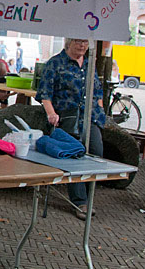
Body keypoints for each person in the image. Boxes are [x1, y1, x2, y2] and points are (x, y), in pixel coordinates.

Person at [35, 38, 105, 220]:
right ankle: (79, 201)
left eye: (85, 42)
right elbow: (45, 92)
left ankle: (89, 198)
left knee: (96, 153)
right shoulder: (55, 63)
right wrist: (51, 113)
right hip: (68, 116)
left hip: (90, 117)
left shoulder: (90, 64)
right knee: (75, 156)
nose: (82, 45)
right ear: (69, 43)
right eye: (78, 41)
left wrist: (101, 109)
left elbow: (97, 91)